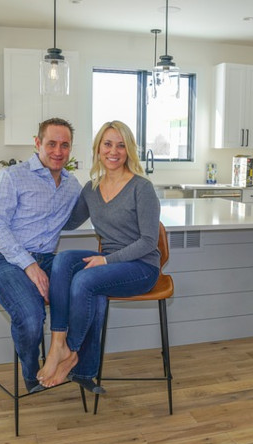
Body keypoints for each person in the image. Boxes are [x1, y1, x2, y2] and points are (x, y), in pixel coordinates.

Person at [37, 120, 161, 392]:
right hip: (111, 264)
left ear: (128, 150)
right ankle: (58, 345)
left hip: (141, 267)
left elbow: (149, 242)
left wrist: (105, 260)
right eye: (107, 144)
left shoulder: (142, 188)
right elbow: (68, 222)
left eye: (120, 145)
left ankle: (70, 352)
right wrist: (48, 193)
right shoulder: (91, 189)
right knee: (64, 261)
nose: (113, 151)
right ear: (98, 148)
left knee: (84, 281)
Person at [0, 118, 81, 393]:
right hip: (3, 258)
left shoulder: (72, 186)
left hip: (48, 259)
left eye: (65, 145)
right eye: (51, 143)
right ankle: (32, 374)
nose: (58, 151)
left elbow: (83, 214)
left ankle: (72, 361)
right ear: (37, 143)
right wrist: (28, 265)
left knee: (89, 290)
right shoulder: (12, 176)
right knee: (30, 316)